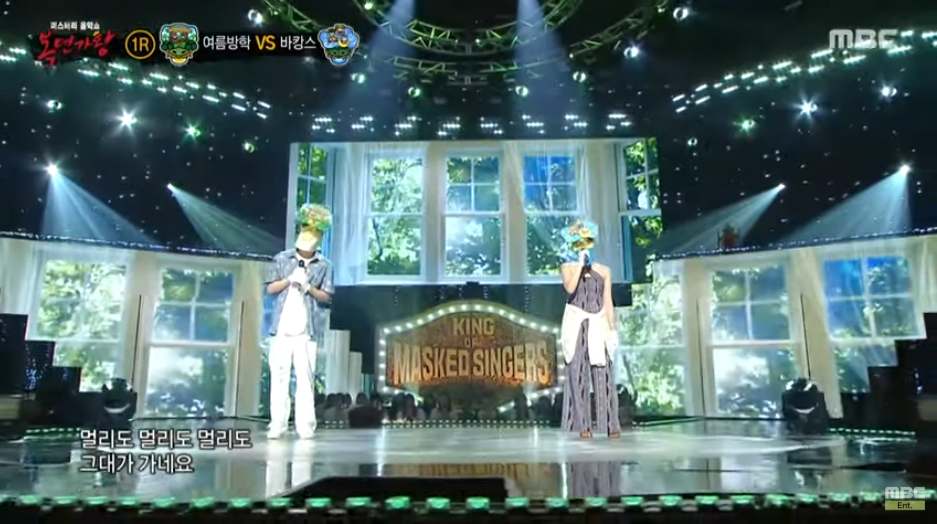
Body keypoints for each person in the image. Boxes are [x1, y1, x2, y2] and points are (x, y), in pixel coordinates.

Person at [263, 204, 334, 439]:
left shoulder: (324, 265)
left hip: (307, 331)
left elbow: (327, 297)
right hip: (281, 329)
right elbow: (270, 288)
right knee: (279, 377)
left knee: (305, 380)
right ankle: (277, 424)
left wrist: (309, 287)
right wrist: (289, 280)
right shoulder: (282, 259)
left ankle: (305, 426)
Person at [559, 219, 621, 439]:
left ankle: (610, 424)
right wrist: (579, 263)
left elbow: (608, 301)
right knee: (577, 373)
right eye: (579, 243)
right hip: (576, 323)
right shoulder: (567, 268)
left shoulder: (603, 271)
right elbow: (570, 288)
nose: (582, 245)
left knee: (603, 372)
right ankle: (583, 425)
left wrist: (612, 329)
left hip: (598, 322)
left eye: (585, 242)